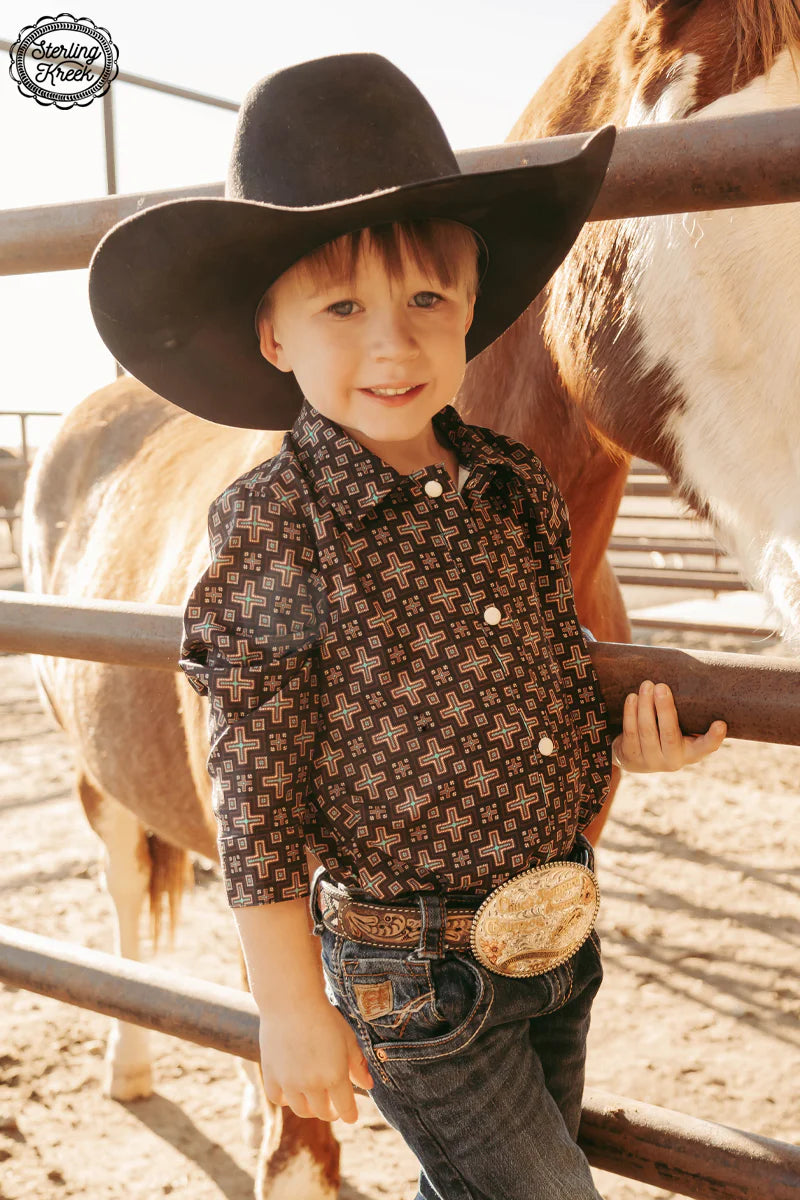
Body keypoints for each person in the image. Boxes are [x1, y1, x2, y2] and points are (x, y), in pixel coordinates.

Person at [88, 52, 727, 1200]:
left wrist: (619, 744)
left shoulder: (517, 489)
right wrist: (287, 1005)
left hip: (557, 943)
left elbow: (532, 683)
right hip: (411, 973)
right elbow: (255, 783)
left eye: (426, 299)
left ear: (472, 308)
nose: (392, 343)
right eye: (342, 307)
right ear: (273, 335)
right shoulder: (272, 527)